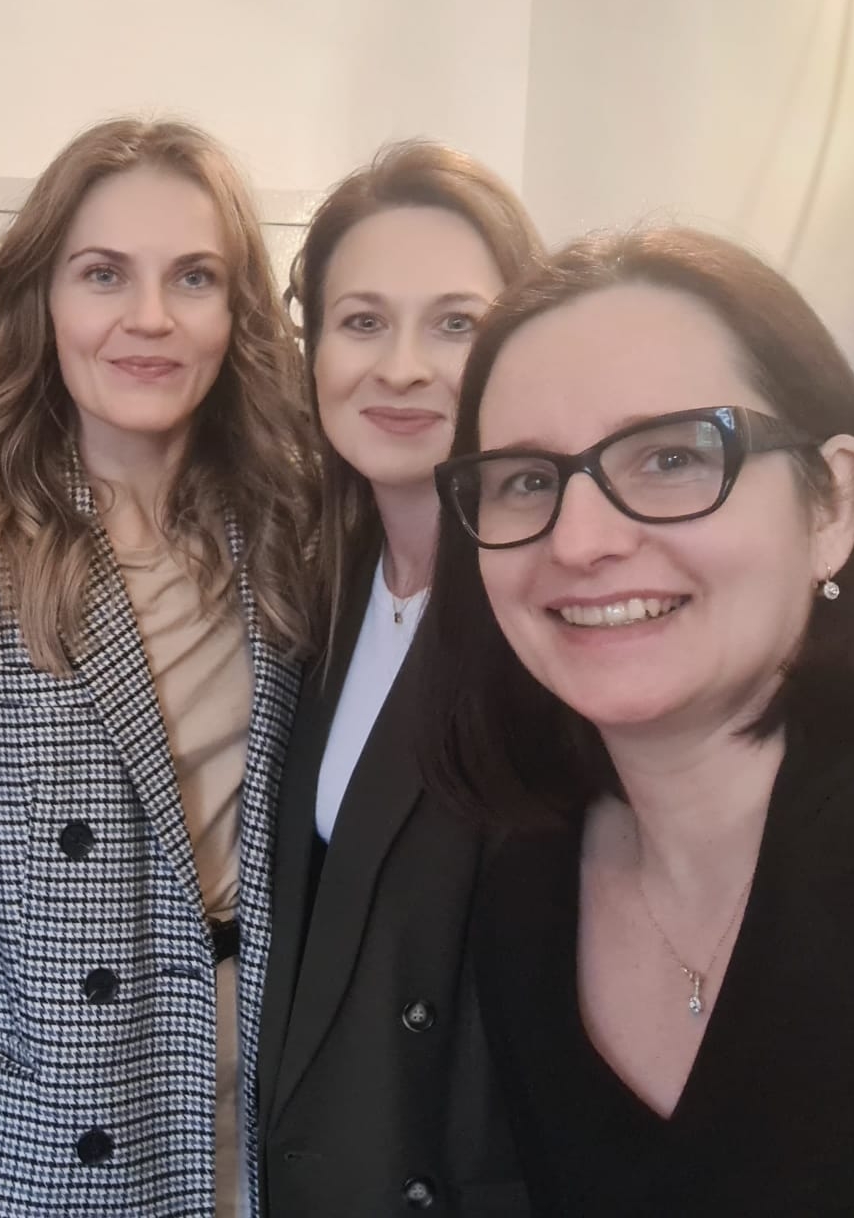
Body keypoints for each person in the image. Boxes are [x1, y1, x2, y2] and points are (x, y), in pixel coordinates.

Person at [422, 227, 854, 1215]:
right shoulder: (524, 900)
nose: (580, 542)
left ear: (833, 504)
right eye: (529, 481)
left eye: (671, 457)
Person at [0, 118, 320, 1218]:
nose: (149, 318)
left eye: (193, 277)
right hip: (72, 1107)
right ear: (43, 299)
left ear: (238, 310)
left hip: (289, 1089)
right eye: (104, 274)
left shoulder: (301, 524)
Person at [255, 141, 541, 1217]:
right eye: (363, 321)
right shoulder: (321, 591)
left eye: (456, 324)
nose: (404, 367)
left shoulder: (554, 612)